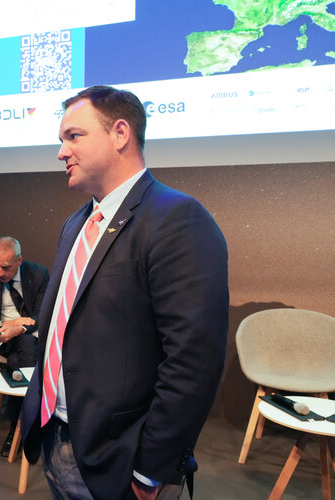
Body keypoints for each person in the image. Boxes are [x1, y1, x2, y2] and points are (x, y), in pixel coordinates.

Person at [20, 86, 229, 500]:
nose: (61, 152)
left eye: (73, 136)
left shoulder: (177, 219)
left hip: (122, 461)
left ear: (120, 133)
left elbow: (193, 361)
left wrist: (151, 472)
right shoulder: (76, 223)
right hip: (58, 441)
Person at [0, 236, 49, 456]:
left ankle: (16, 427)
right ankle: (30, 424)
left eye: (5, 267)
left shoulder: (38, 274)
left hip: (30, 338)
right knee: (24, 350)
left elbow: (43, 314)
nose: (0, 273)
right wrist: (7, 325)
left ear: (19, 260)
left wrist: (21, 328)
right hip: (1, 340)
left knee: (22, 352)